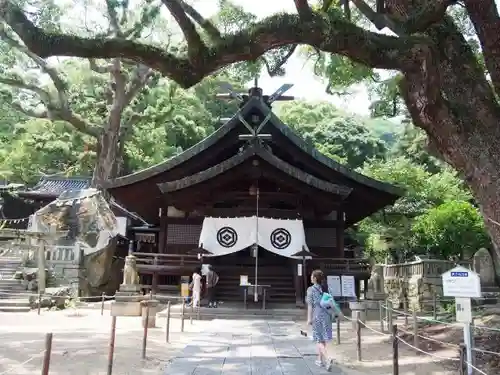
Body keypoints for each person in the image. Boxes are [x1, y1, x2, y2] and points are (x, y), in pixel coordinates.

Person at [306, 269, 335, 371]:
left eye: (311, 276)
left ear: (314, 278)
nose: (310, 278)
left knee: (318, 339)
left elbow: (310, 305)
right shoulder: (326, 289)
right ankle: (319, 360)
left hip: (317, 315)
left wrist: (309, 319)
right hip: (327, 315)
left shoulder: (311, 290)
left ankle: (328, 358)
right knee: (323, 338)